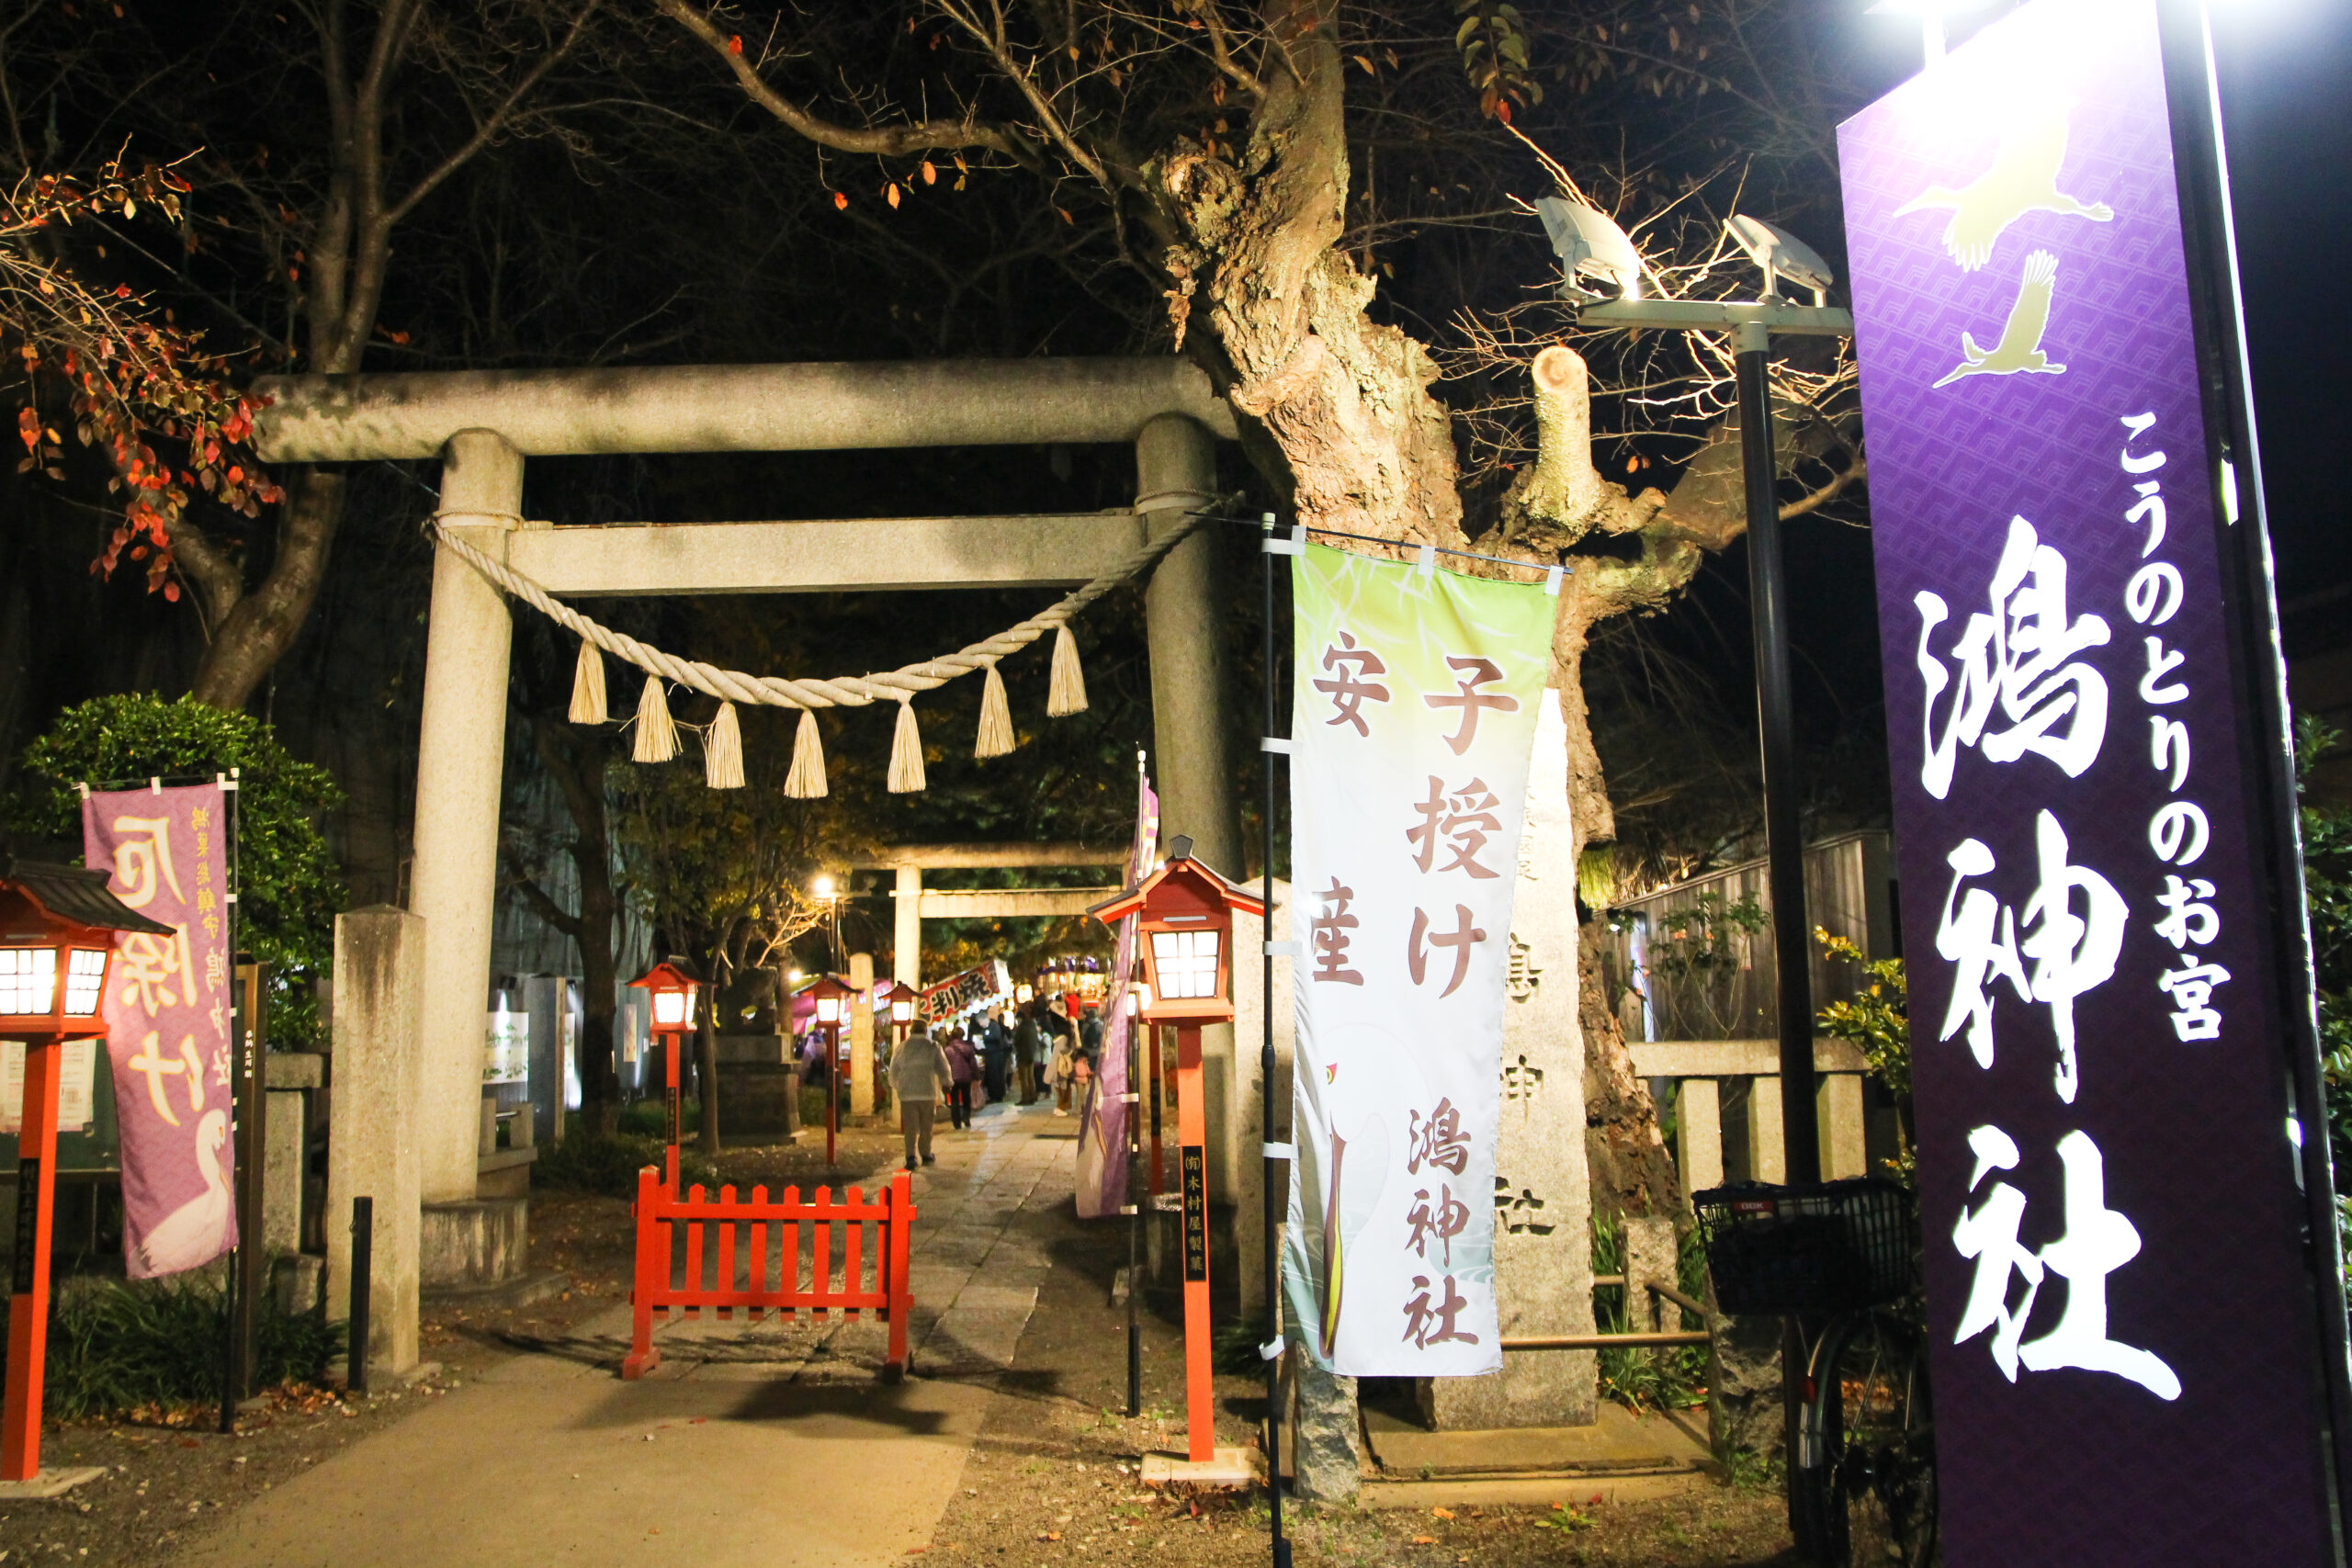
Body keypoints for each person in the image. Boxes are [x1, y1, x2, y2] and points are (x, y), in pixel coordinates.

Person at [888, 1019, 951, 1168]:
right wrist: (946, 1083)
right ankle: (925, 1153)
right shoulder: (932, 1047)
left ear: (910, 1031)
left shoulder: (901, 1048)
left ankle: (910, 1156)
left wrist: (898, 1086)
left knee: (910, 1127)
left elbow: (893, 1071)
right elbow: (943, 1067)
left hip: (907, 1094)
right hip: (926, 1092)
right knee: (926, 1126)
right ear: (925, 1031)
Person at [944, 1027, 978, 1130]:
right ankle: (966, 1117)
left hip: (953, 1077)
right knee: (966, 1098)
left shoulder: (947, 1049)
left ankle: (956, 1123)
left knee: (954, 1100)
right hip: (966, 1076)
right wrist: (976, 1076)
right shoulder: (968, 1048)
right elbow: (973, 1064)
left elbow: (945, 1065)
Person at [1013, 1005, 1043, 1106]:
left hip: (1023, 1055)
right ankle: (1032, 1096)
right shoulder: (1032, 1026)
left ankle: (1025, 1098)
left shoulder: (1021, 1028)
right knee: (1031, 1077)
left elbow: (1016, 1041)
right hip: (1031, 1055)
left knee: (1024, 1078)